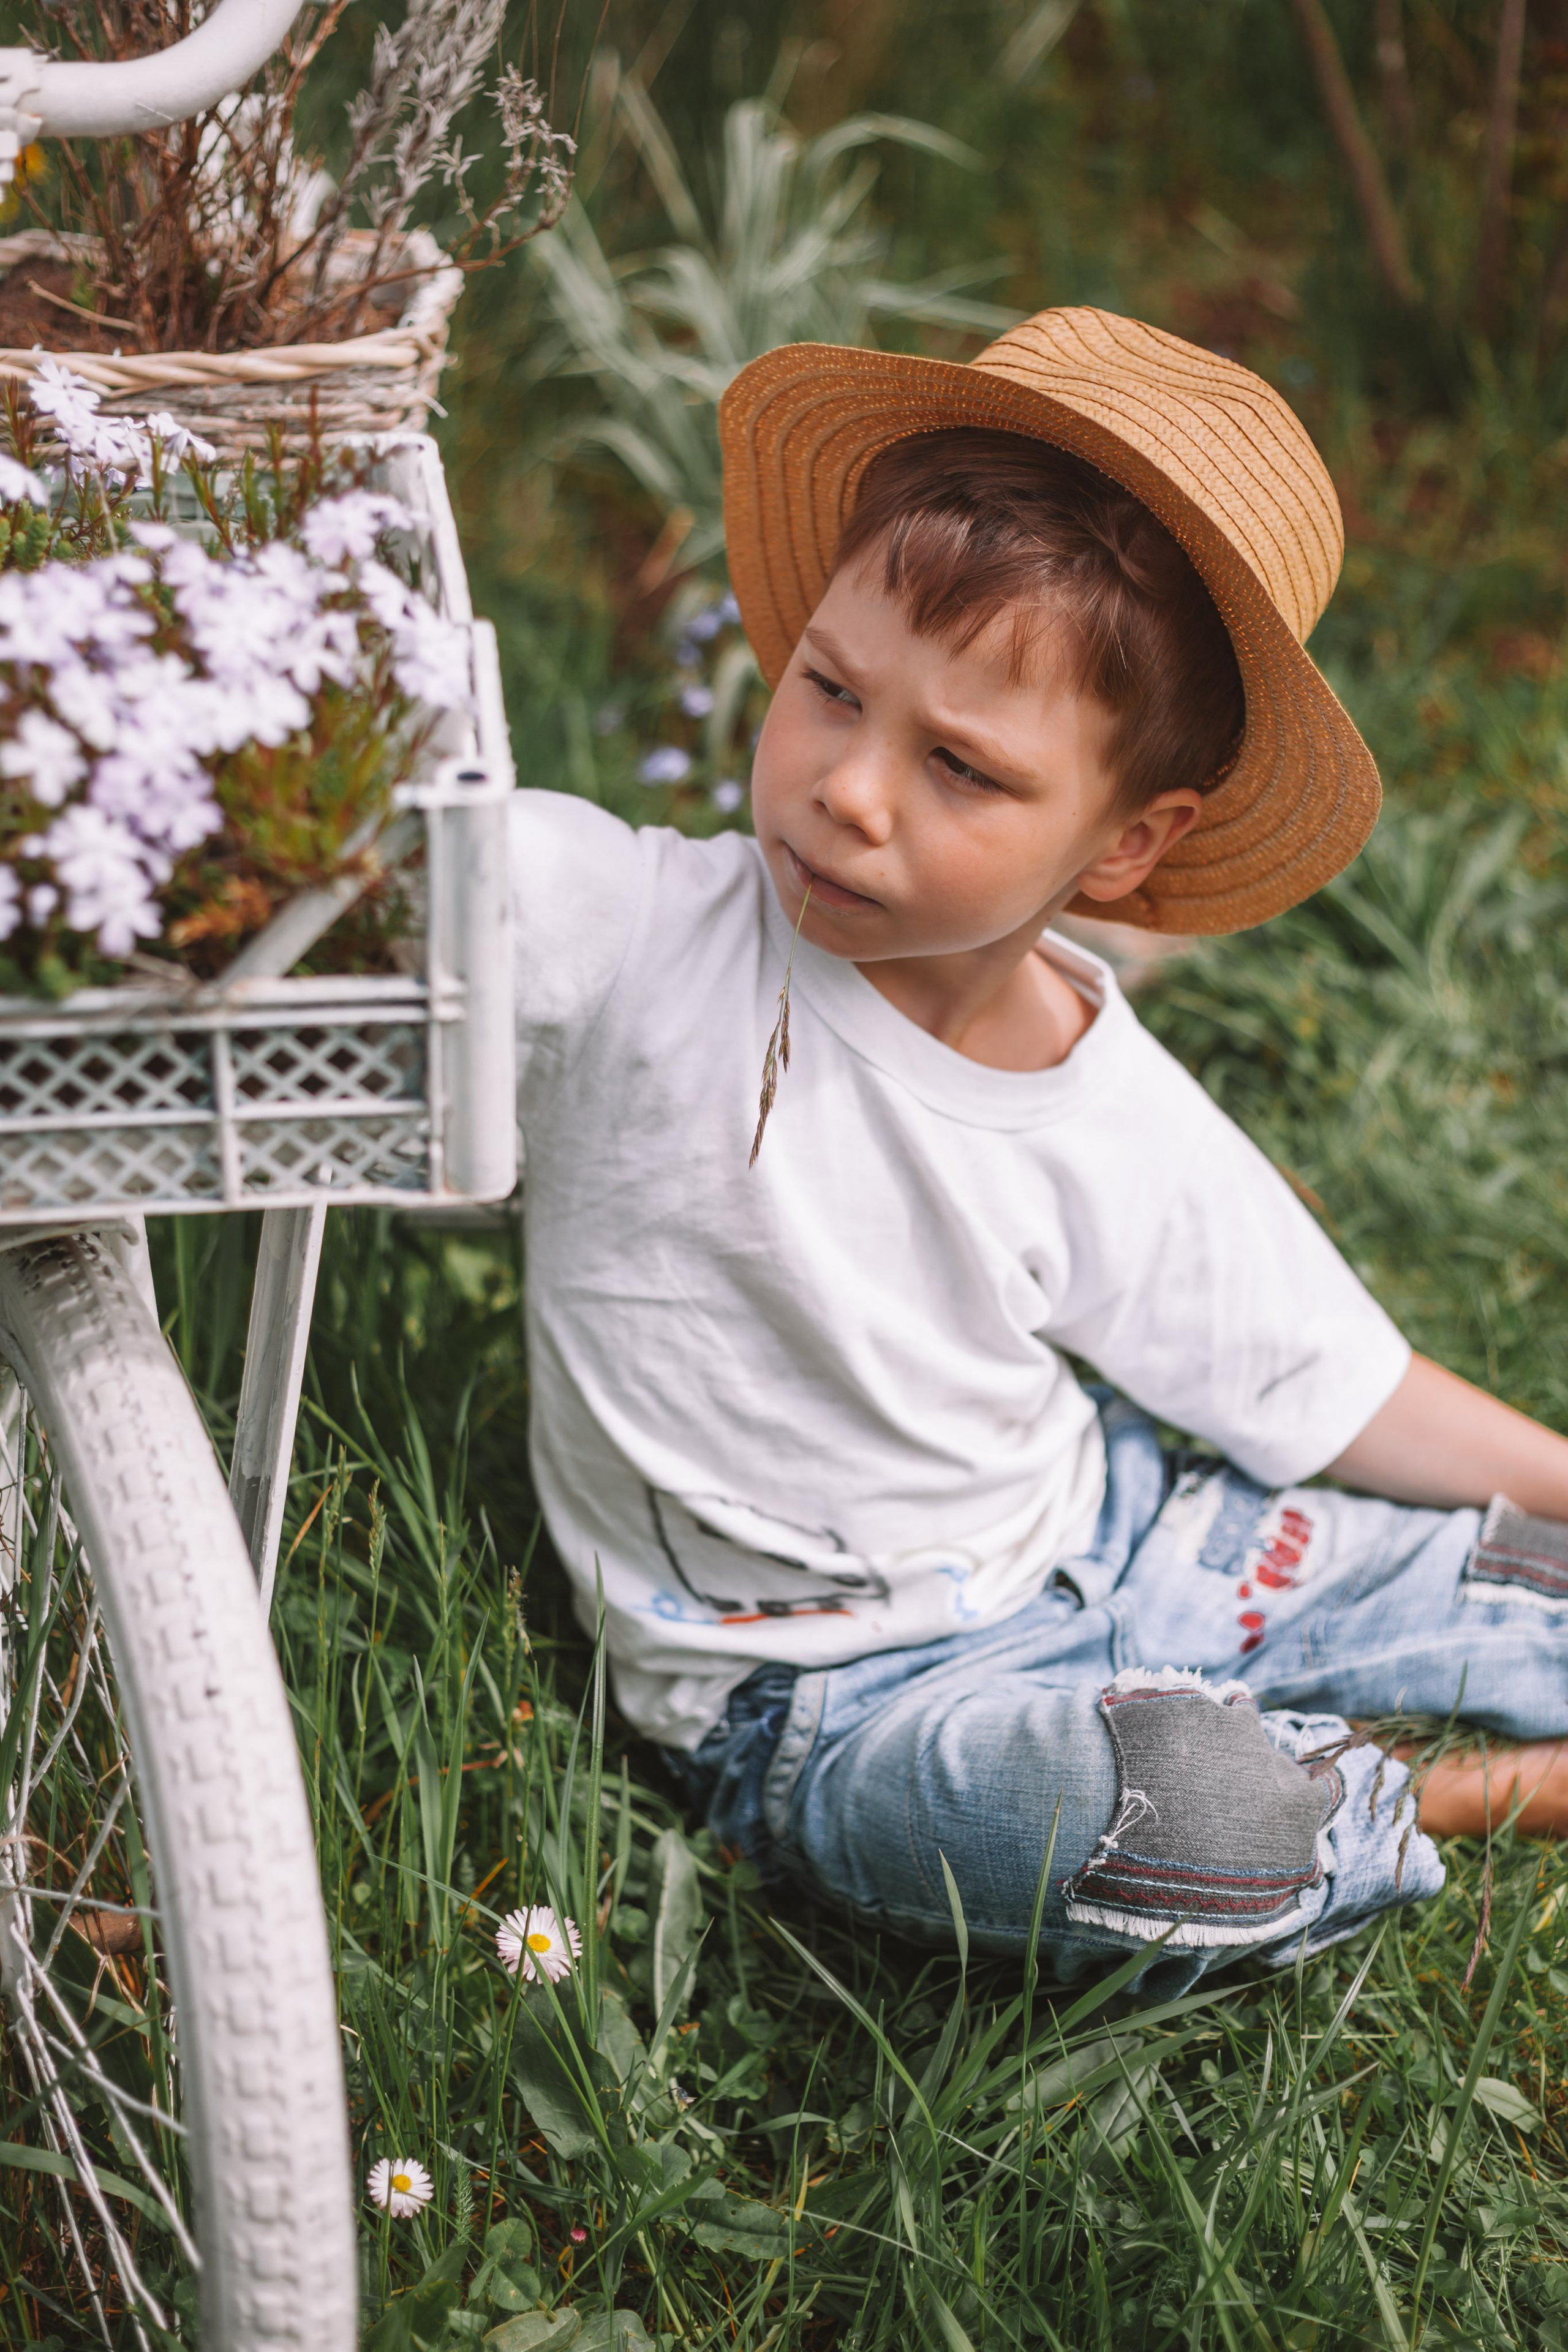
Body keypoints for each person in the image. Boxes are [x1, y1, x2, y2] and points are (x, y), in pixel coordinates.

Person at [509, 306, 1568, 1991]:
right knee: (1178, 1823)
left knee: (1531, 1570)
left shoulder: (1098, 1095)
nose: (851, 789)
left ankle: (1257, 1700)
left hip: (1134, 1544)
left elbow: (1331, 1385)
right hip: (833, 1700)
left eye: (961, 767)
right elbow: (430, 866)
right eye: (831, 692)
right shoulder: (624, 931)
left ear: (1127, 845)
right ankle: (1443, 1799)